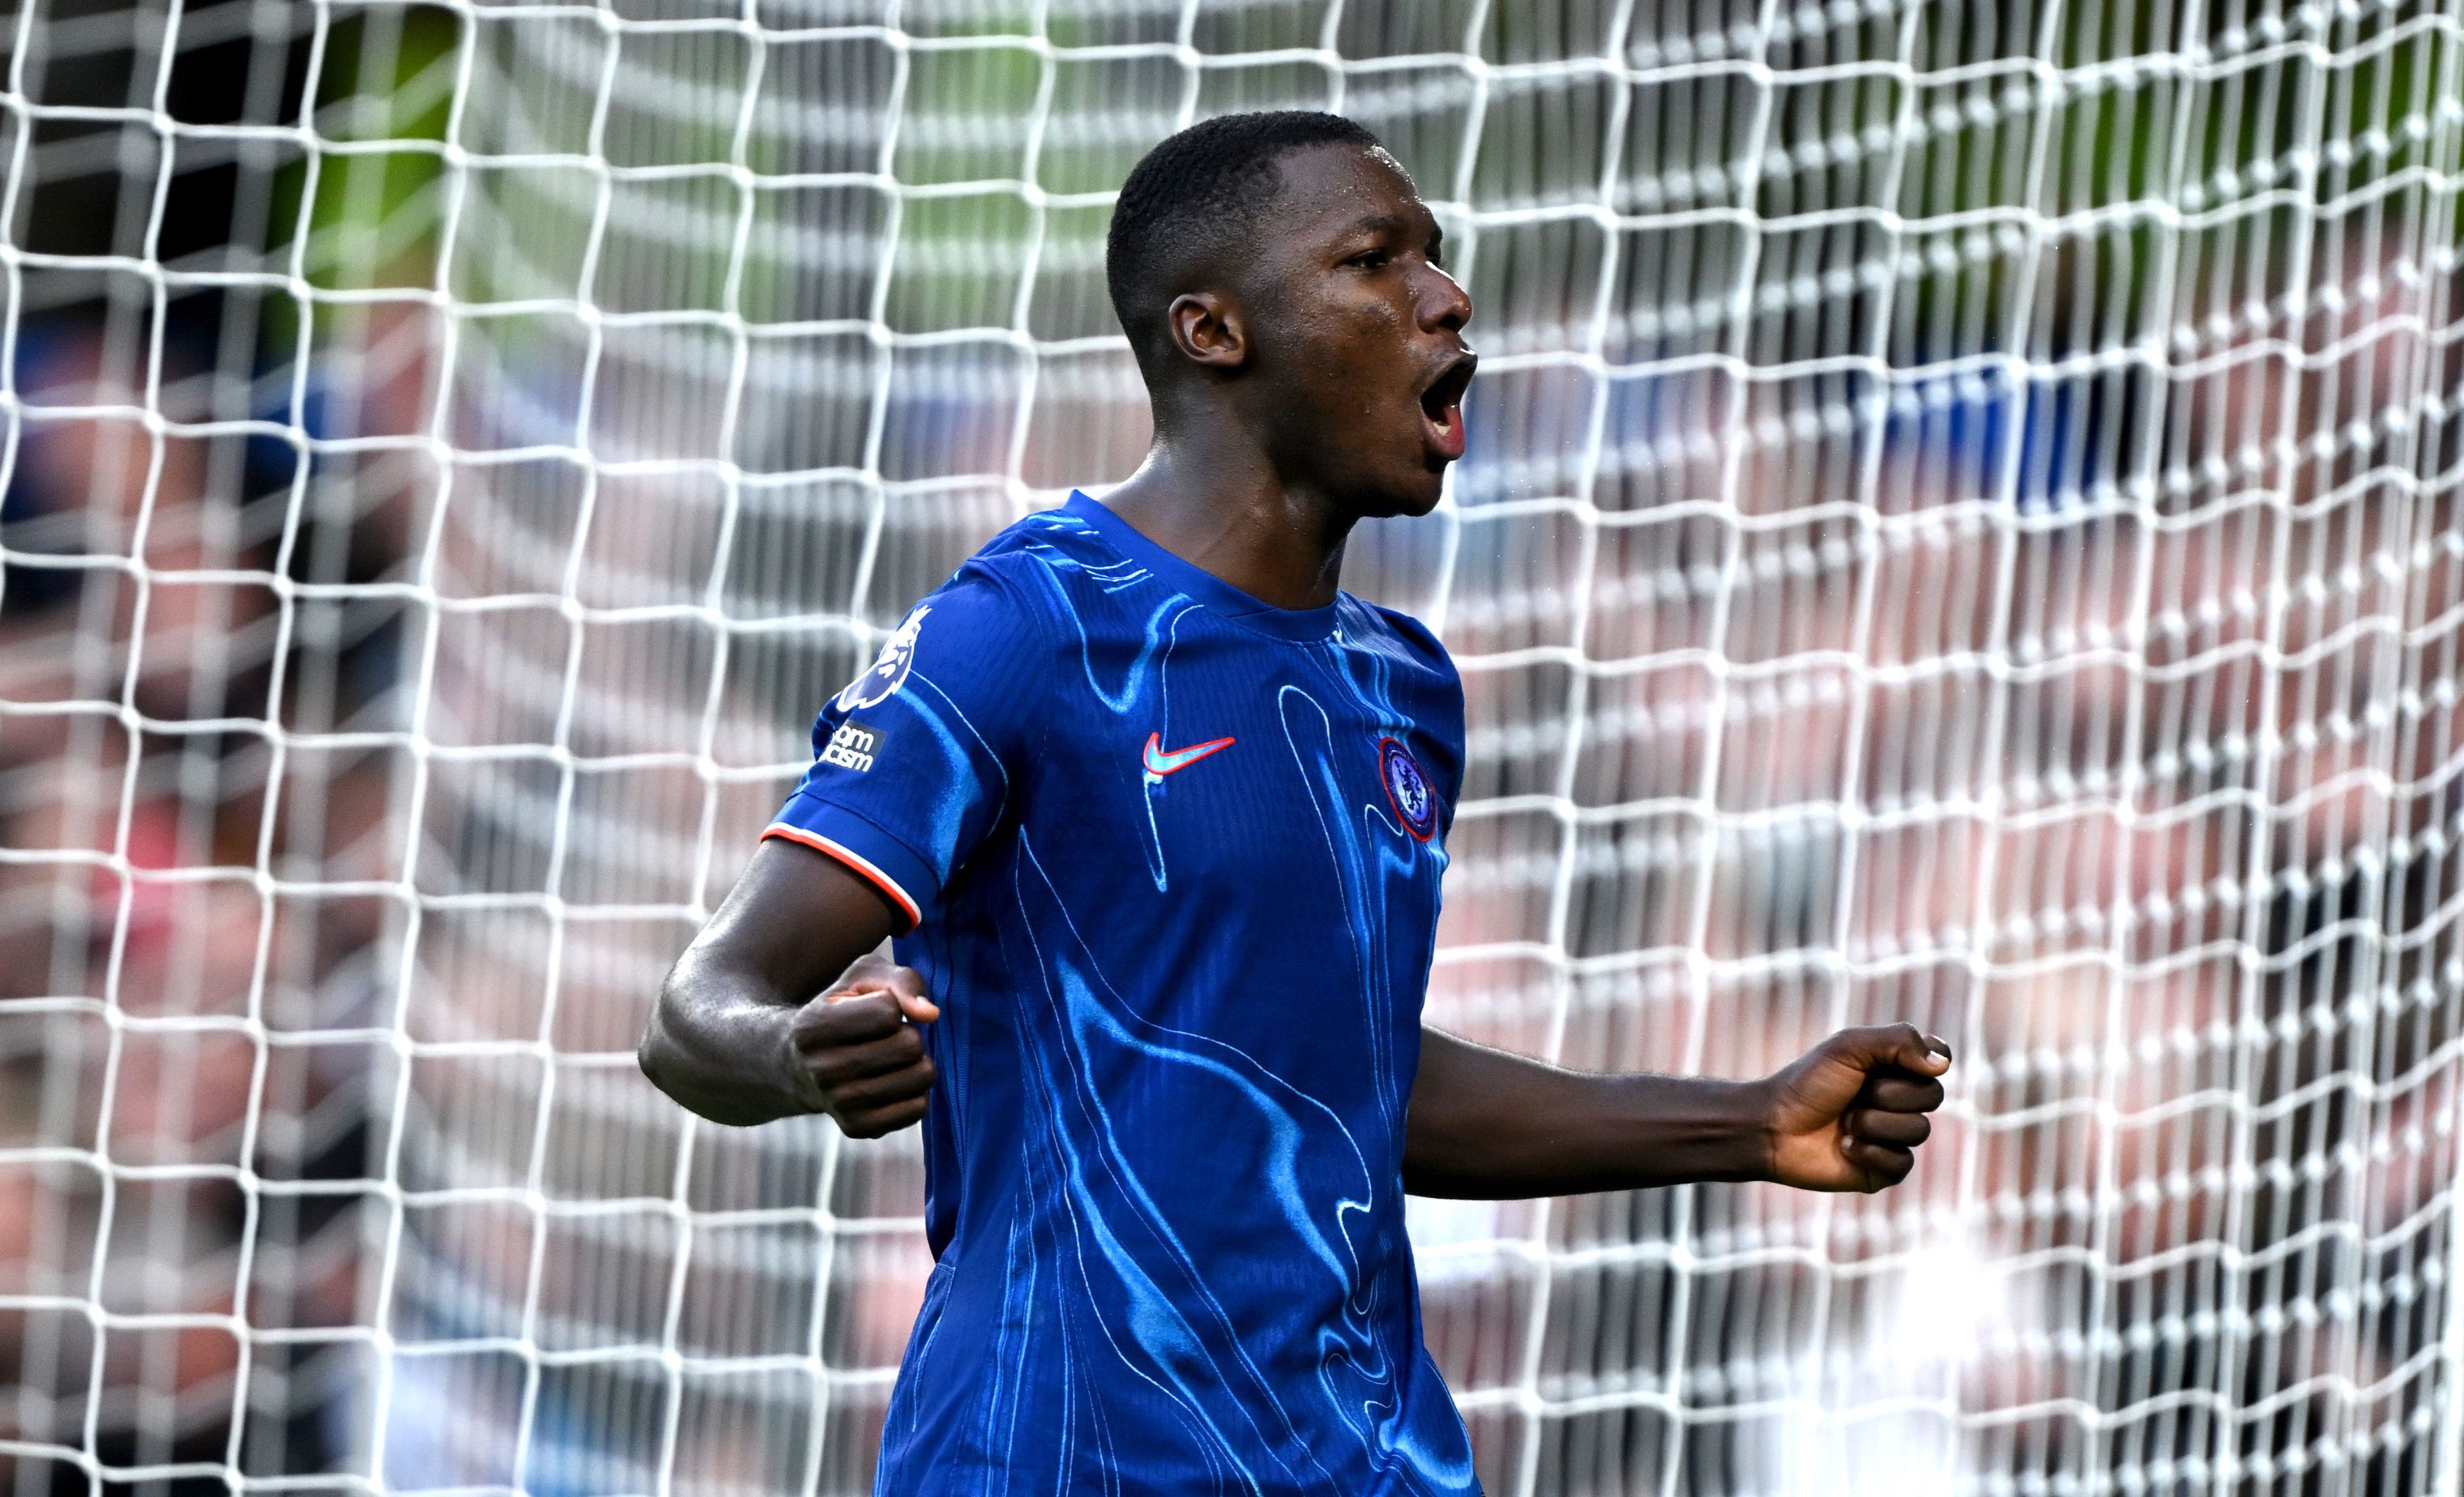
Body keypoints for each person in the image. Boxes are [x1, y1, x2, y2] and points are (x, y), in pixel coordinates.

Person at [638, 111, 1951, 1495]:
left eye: (1434, 258)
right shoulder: (1024, 626)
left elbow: (1348, 1077)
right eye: (1374, 260)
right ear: (1213, 333)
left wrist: (1745, 1124)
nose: (1444, 298)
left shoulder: (1404, 690)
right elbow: (695, 1010)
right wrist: (792, 1051)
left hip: (1363, 1457)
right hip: (1055, 1454)